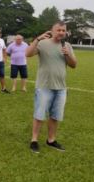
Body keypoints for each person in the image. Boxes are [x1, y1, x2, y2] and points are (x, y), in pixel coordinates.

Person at [26, 21, 77, 153]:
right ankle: (34, 140)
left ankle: (51, 140)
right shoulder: (43, 43)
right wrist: (37, 39)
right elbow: (28, 53)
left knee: (55, 116)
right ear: (52, 30)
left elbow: (73, 65)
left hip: (61, 88)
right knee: (39, 115)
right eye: (58, 30)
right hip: (44, 86)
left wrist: (67, 54)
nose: (61, 32)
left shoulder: (67, 45)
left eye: (63, 30)